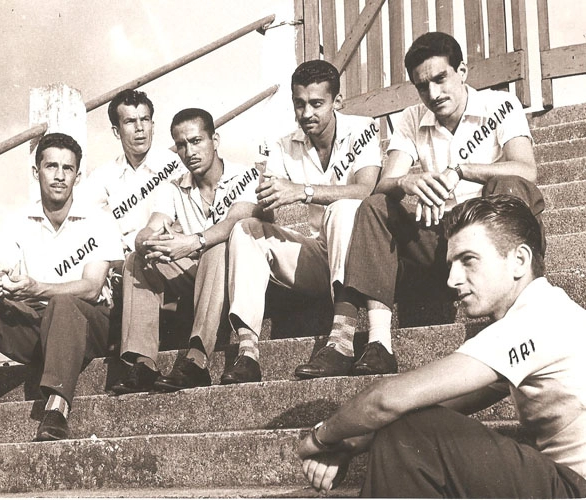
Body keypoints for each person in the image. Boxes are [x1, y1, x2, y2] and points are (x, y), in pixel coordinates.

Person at [298, 194, 586, 498]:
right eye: (451, 264)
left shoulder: (535, 318)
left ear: (519, 260)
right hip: (563, 482)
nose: (452, 279)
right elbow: (448, 400)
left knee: (411, 431)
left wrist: (320, 438)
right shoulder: (550, 311)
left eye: (468, 260)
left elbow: (386, 399)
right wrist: (354, 442)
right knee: (408, 421)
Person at [303, 31, 545, 378]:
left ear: (462, 71)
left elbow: (527, 170)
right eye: (421, 86)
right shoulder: (411, 117)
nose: (433, 93)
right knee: (375, 205)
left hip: (489, 231)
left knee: (508, 185)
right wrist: (406, 182)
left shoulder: (500, 105)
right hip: (440, 235)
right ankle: (379, 343)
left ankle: (515, 313)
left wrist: (460, 170)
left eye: (440, 79)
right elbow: (385, 183)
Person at [0, 133, 125, 448]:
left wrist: (38, 288)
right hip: (37, 328)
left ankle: (57, 410)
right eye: (51, 166)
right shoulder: (18, 219)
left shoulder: (98, 220)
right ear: (37, 172)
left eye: (67, 169)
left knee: (62, 302)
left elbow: (91, 287)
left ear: (78, 175)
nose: (59, 176)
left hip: (87, 327)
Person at [222, 59, 382, 385]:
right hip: (318, 254)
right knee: (245, 230)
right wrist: (266, 202)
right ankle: (248, 352)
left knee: (344, 209)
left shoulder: (363, 128)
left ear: (337, 102)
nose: (306, 113)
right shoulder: (284, 146)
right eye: (299, 104)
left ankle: (342, 339)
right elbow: (272, 204)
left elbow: (366, 190)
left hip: (360, 253)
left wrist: (302, 191)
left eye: (316, 104)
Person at [111, 108, 263, 394]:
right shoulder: (174, 188)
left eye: (196, 141)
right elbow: (150, 228)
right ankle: (143, 363)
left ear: (214, 140)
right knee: (136, 260)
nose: (189, 151)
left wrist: (191, 241)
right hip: (197, 275)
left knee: (216, 247)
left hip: (239, 274)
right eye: (181, 145)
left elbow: (234, 222)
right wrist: (148, 243)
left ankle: (197, 360)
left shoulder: (244, 175)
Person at [85, 89, 185, 251]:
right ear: (117, 132)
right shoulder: (104, 175)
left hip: (162, 253)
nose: (140, 128)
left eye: (145, 119)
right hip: (117, 257)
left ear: (152, 126)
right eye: (130, 121)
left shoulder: (174, 165)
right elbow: (85, 219)